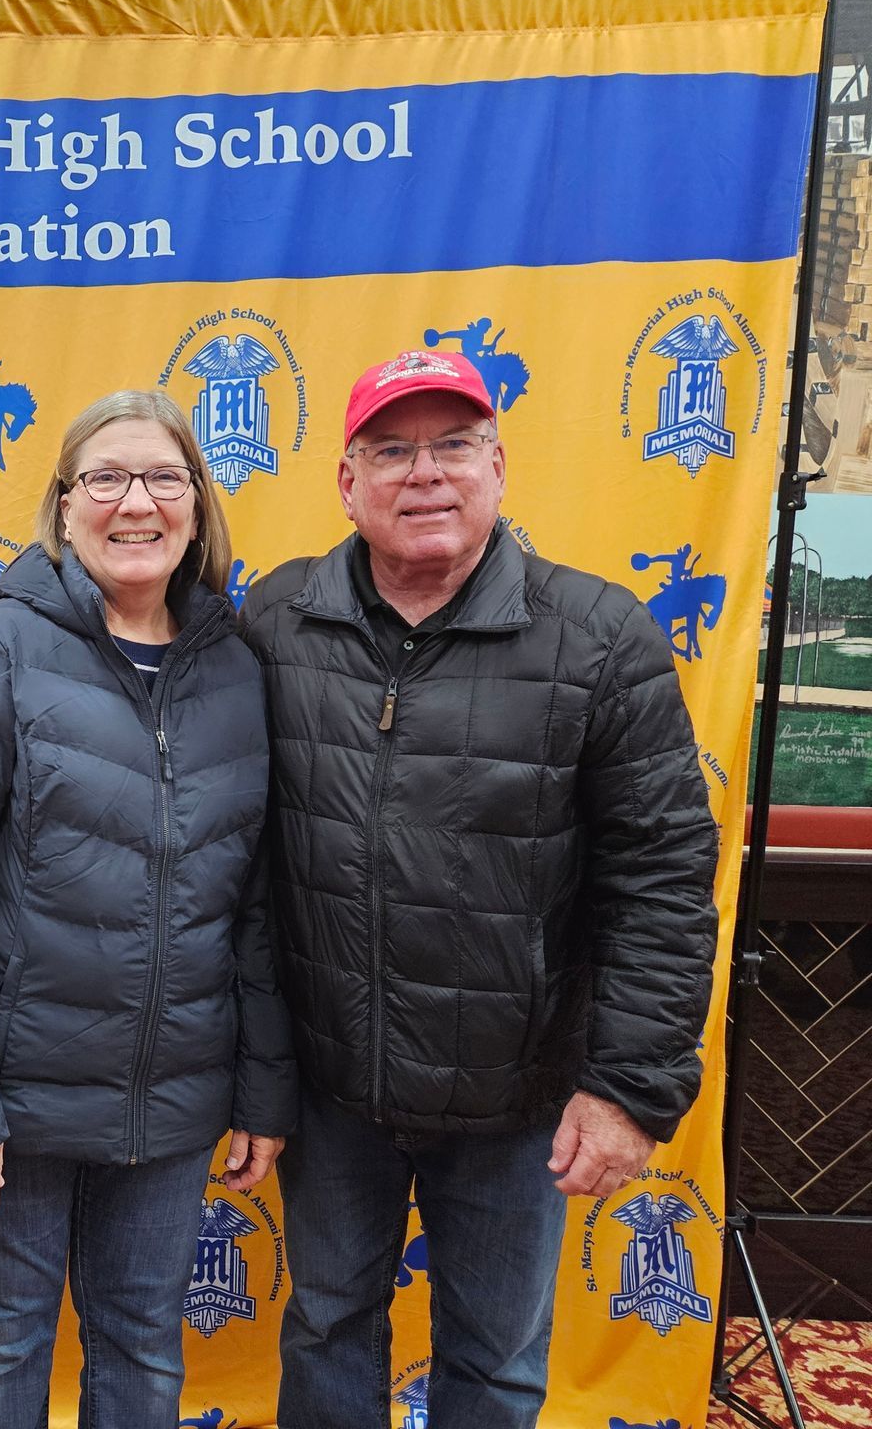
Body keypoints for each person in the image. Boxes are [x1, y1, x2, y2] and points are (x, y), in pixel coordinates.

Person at [238, 349, 719, 1429]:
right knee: (324, 1325)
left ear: (498, 467)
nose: (427, 475)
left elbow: (664, 879)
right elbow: (235, 858)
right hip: (329, 1087)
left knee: (497, 1362)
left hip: (519, 1096)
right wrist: (248, 1068)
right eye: (393, 451)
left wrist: (631, 1086)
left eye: (454, 446)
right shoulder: (273, 624)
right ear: (346, 483)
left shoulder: (600, 638)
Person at [0, 389, 297, 1429]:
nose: (135, 502)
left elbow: (253, 910)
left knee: (146, 1348)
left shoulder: (237, 672)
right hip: (13, 1103)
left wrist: (264, 1092)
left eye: (163, 477)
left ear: (198, 507)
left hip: (173, 1100)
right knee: (3, 1348)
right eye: (103, 478)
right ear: (63, 509)